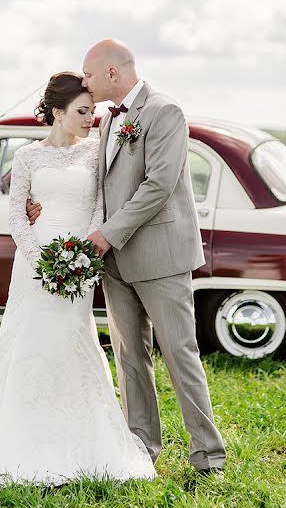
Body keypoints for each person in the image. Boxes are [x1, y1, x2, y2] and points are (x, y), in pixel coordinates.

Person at [0, 72, 156, 485]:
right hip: (33, 264)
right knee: (27, 342)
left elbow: (99, 207)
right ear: (58, 112)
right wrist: (41, 259)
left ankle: (83, 440)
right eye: (82, 111)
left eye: (92, 111)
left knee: (72, 341)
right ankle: (15, 439)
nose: (90, 118)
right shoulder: (27, 157)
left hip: (79, 263)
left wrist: (82, 256)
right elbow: (17, 215)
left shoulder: (96, 153)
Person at [27, 40, 227, 474]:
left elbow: (158, 185)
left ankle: (208, 455)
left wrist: (105, 235)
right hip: (114, 261)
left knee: (179, 352)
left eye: (90, 75)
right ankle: (141, 450)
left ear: (113, 74)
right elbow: (94, 184)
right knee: (129, 359)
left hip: (159, 254)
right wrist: (38, 202)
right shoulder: (105, 123)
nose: (84, 82)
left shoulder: (164, 112)